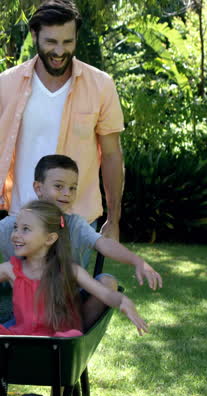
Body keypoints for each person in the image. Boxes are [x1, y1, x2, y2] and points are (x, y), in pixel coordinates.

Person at [0, 0, 124, 240]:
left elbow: (112, 155)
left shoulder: (101, 85)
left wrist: (114, 219)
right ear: (35, 35)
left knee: (71, 280)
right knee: (16, 280)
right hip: (21, 221)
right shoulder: (6, 85)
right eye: (51, 42)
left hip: (77, 224)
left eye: (68, 42)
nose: (59, 51)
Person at [0, 154, 163, 328]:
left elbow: (103, 244)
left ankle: (75, 331)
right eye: (58, 186)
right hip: (24, 318)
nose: (66, 193)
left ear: (50, 238)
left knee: (107, 282)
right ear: (38, 188)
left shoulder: (74, 229)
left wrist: (135, 261)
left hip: (68, 305)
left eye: (72, 188)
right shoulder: (15, 227)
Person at [0, 200, 147, 338]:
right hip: (22, 338)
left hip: (60, 341)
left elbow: (106, 294)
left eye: (25, 229)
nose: (15, 235)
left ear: (50, 238)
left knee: (68, 338)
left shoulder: (68, 270)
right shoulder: (11, 270)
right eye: (15, 228)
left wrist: (123, 301)